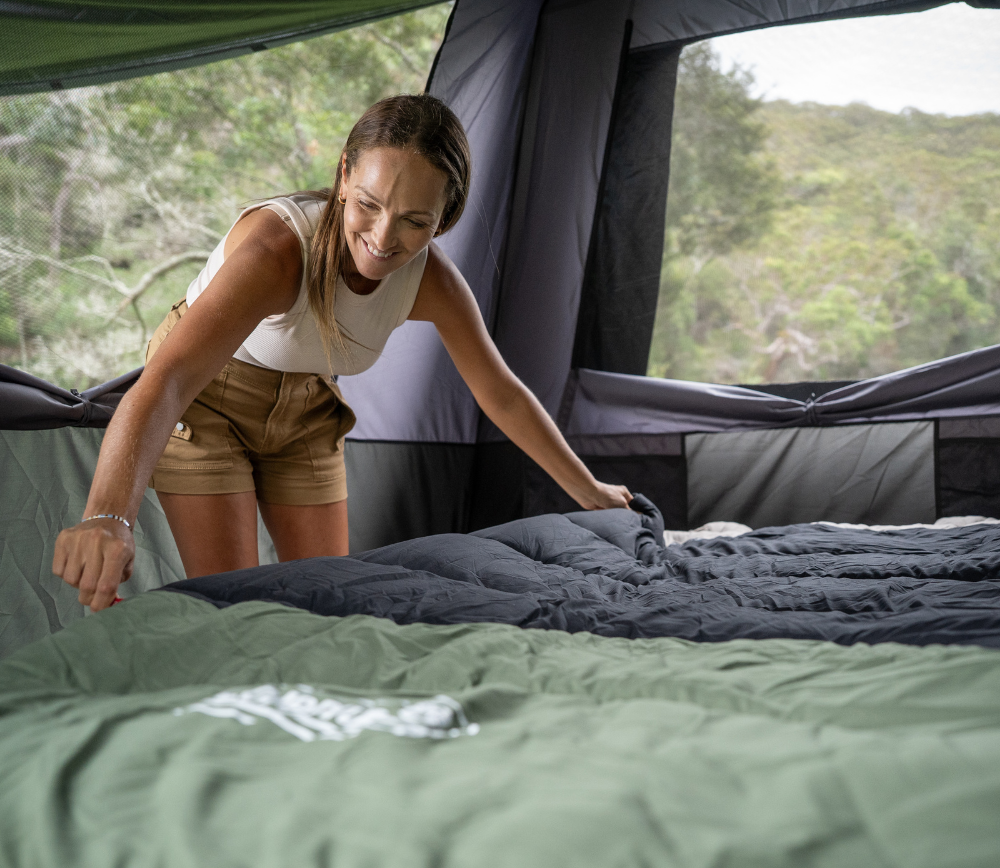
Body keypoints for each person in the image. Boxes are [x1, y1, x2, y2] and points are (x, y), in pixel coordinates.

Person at [53, 94, 632, 612]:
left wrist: (591, 492)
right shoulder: (277, 252)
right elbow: (169, 380)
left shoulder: (432, 281)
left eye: (415, 221)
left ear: (445, 218)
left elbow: (500, 393)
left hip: (307, 409)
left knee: (330, 603)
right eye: (368, 204)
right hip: (206, 401)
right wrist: (107, 516)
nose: (382, 239)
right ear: (344, 173)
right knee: (240, 608)